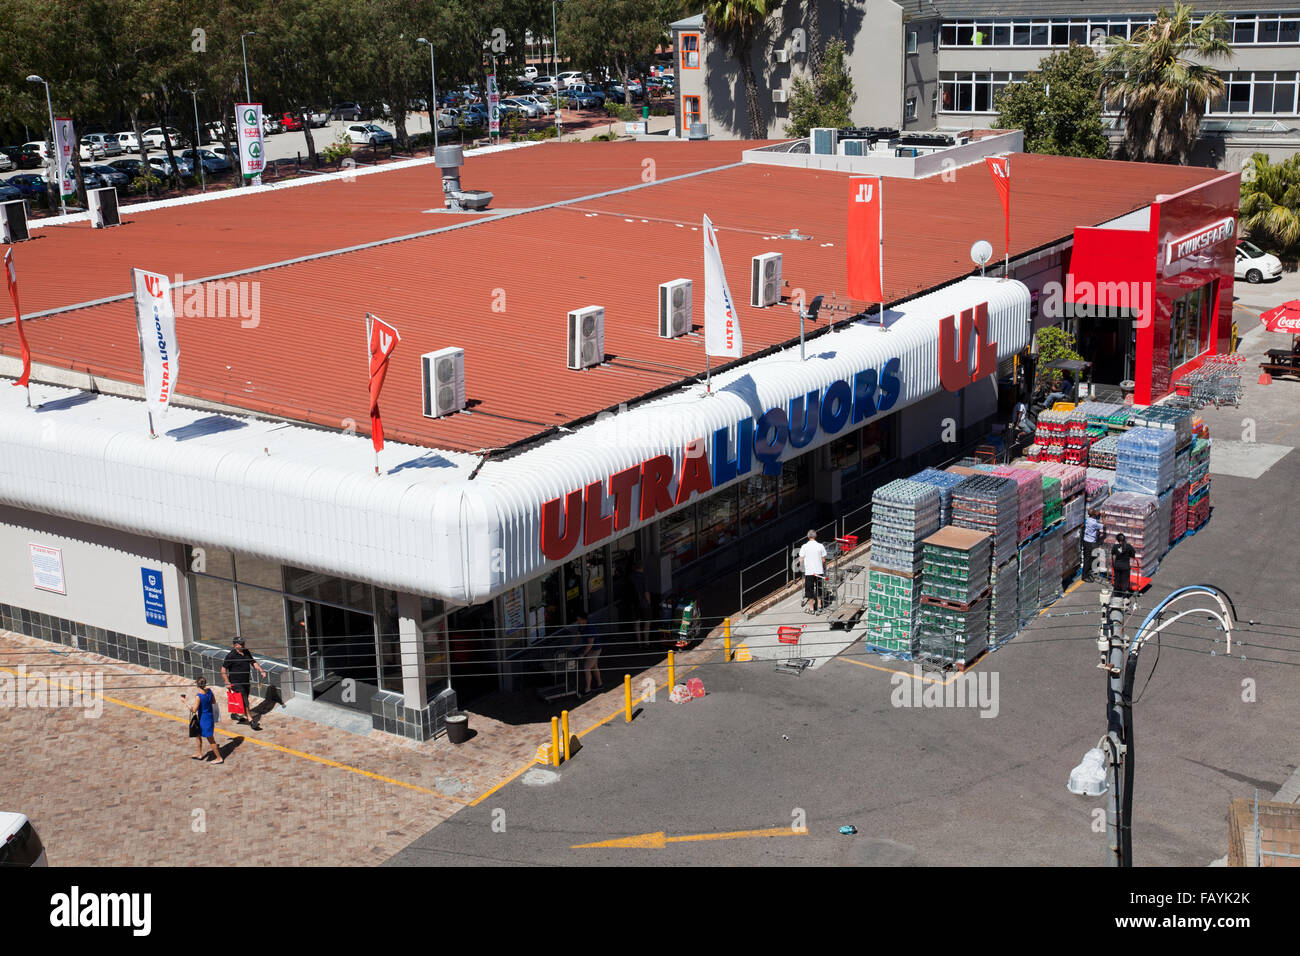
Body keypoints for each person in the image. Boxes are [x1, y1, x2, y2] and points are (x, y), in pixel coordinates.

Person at [222, 638, 269, 730]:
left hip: (245, 681)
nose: (243, 645)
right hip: (236, 683)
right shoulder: (231, 656)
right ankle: (251, 721)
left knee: (243, 699)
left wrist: (261, 670)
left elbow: (253, 662)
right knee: (245, 702)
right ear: (235, 646)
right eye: (240, 644)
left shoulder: (246, 652)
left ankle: (234, 714)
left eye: (243, 643)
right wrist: (227, 682)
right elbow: (223, 669)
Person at [184, 676, 223, 764]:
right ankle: (199, 753)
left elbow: (193, 710)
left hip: (204, 719)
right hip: (209, 716)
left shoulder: (199, 696)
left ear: (197, 685)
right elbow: (214, 702)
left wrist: (185, 702)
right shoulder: (209, 691)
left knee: (211, 739)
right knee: (198, 734)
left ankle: (219, 758)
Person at [799, 530, 828, 614]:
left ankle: (811, 609)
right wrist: (824, 569)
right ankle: (819, 606)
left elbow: (801, 559)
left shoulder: (804, 546)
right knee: (819, 588)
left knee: (809, 589)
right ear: (815, 536)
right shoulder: (820, 546)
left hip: (809, 572)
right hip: (819, 571)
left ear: (808, 537)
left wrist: (801, 567)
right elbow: (823, 560)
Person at [575, 613, 604, 696]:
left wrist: (583, 654)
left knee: (587, 668)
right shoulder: (581, 626)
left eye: (579, 619)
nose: (577, 621)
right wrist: (570, 646)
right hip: (591, 649)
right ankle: (600, 684)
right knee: (594, 667)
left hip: (594, 650)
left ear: (583, 619)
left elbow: (590, 644)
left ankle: (588, 689)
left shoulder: (590, 627)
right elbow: (577, 636)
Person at [627, 559, 652, 646]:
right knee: (647, 623)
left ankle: (639, 643)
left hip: (634, 604)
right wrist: (649, 602)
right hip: (644, 604)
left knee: (637, 623)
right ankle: (647, 642)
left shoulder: (630, 577)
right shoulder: (644, 577)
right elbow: (646, 593)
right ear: (642, 568)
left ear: (634, 568)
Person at [1082, 509, 1105, 582]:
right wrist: (1103, 517)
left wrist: (1098, 513)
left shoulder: (1088, 519)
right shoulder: (1093, 523)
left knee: (1090, 557)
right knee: (1088, 559)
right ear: (1094, 515)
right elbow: (1104, 525)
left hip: (1087, 540)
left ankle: (1088, 571)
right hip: (1090, 543)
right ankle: (1084, 576)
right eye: (1095, 512)